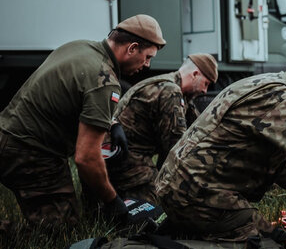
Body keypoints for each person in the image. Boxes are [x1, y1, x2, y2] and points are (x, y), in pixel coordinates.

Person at [155, 43, 286, 243]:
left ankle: (185, 229)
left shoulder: (267, 84)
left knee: (274, 236)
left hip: (184, 186)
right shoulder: (284, 99)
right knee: (271, 248)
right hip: (197, 194)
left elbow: (273, 165)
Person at [0, 14, 166, 228]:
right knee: (62, 232)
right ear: (132, 48)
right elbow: (86, 159)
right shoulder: (104, 81)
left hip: (6, 133)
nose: (147, 65)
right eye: (147, 57)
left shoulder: (80, 47)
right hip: (31, 154)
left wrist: (113, 123)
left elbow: (79, 93)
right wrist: (112, 200)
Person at [106, 53, 218, 203]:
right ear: (195, 74)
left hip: (124, 153)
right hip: (125, 155)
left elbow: (199, 128)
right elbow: (175, 147)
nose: (205, 91)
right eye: (206, 83)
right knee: (158, 204)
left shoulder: (177, 90)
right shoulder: (170, 90)